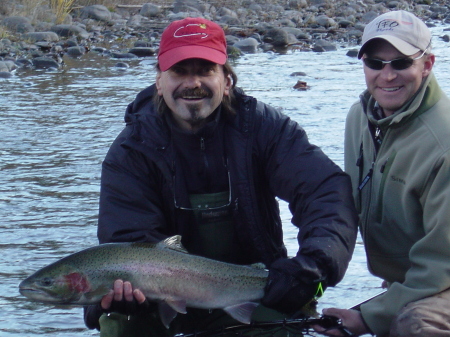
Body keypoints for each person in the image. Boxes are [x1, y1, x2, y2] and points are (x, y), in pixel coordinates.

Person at [83, 17, 358, 337]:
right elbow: (127, 244)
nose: (192, 82)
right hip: (162, 301)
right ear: (159, 81)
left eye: (205, 70)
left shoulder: (265, 129)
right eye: (179, 72)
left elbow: (325, 191)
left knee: (297, 302)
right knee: (119, 321)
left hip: (258, 291)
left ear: (227, 79)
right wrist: (123, 296)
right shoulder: (131, 152)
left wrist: (311, 268)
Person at [315, 10, 450, 337]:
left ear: (427, 65)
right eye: (375, 63)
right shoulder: (357, 120)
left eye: (401, 63)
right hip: (411, 281)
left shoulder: (443, 144)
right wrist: (312, 284)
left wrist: (366, 317)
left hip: (440, 277)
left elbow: (440, 267)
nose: (387, 76)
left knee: (415, 324)